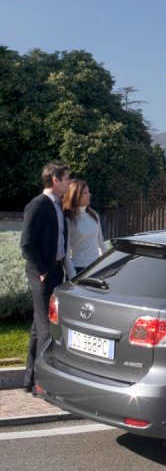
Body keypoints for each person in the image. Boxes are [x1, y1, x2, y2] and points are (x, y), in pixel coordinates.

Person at [20, 161, 71, 394]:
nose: (69, 182)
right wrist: (41, 271)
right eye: (66, 178)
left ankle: (29, 380)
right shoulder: (38, 205)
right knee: (46, 329)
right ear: (55, 180)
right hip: (43, 273)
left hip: (56, 271)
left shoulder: (58, 205)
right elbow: (27, 244)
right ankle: (42, 384)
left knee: (37, 328)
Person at [61, 179, 106, 278]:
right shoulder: (68, 220)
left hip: (96, 268)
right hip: (77, 270)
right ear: (75, 195)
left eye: (88, 192)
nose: (89, 195)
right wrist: (73, 276)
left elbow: (101, 244)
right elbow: (66, 252)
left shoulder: (94, 215)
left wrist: (107, 265)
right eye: (85, 193)